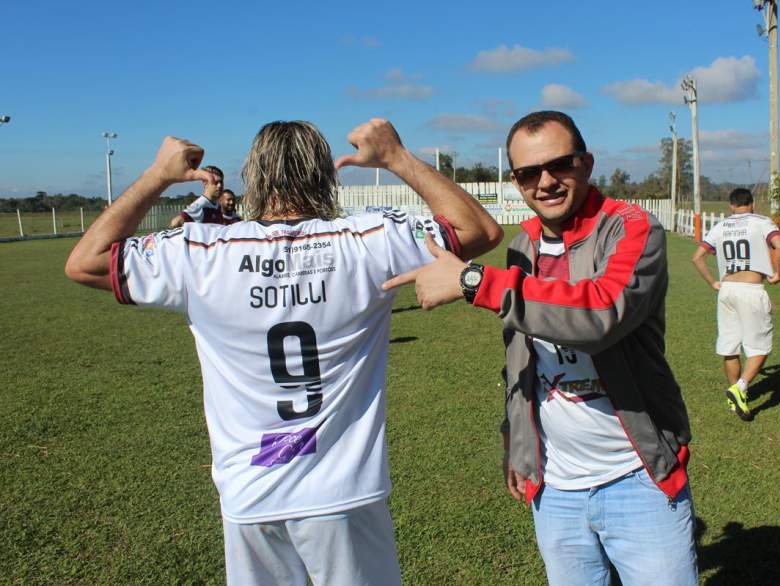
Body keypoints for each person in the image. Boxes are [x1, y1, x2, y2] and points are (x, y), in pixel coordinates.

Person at [64, 118, 502, 585]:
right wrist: (396, 156)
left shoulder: (200, 250)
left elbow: (85, 262)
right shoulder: (367, 240)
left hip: (250, 495)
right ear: (325, 176)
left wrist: (158, 175)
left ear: (254, 175)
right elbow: (478, 229)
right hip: (343, 491)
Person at [384, 111, 697, 586]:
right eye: (529, 173)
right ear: (516, 181)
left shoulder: (632, 228)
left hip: (638, 476)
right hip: (555, 488)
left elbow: (601, 312)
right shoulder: (523, 245)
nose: (545, 182)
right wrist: (513, 430)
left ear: (586, 163)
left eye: (559, 166)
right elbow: (519, 353)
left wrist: (474, 280)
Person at [691, 188, 780, 421]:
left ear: (731, 206)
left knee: (730, 346)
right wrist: (779, 272)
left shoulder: (721, 226)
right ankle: (740, 388)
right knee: (760, 347)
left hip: (726, 290)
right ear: (752, 204)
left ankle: (735, 394)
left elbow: (697, 257)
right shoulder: (762, 222)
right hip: (751, 289)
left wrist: (712, 281)